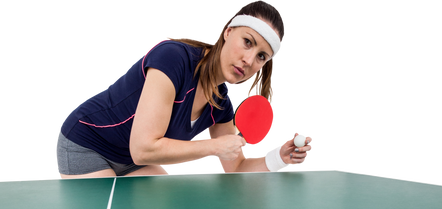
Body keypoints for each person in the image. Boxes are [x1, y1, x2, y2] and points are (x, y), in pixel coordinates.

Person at [55, 0, 315, 179]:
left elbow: (235, 167)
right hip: (87, 143)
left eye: (261, 56)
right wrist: (213, 146)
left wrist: (281, 158)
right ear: (228, 32)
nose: (249, 60)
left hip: (133, 161)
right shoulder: (173, 59)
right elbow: (143, 148)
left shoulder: (221, 104)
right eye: (247, 42)